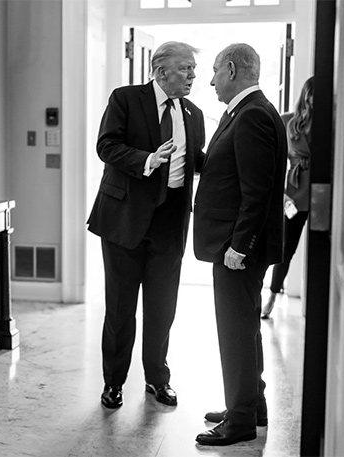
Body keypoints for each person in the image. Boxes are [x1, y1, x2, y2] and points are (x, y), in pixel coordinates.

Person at [87, 41, 205, 409]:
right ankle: (113, 383)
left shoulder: (194, 113)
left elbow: (197, 160)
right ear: (160, 71)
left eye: (193, 69)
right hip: (125, 219)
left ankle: (157, 379)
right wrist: (148, 159)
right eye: (186, 68)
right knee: (120, 310)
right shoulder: (125, 99)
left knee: (162, 308)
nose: (193, 75)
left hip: (171, 222)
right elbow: (106, 146)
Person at [192, 43, 287, 446]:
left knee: (235, 334)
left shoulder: (252, 116)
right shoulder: (246, 112)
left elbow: (257, 190)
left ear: (231, 70)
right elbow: (227, 169)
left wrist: (240, 247)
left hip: (239, 251)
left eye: (215, 71)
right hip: (236, 246)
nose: (211, 81)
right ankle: (250, 406)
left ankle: (241, 421)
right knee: (244, 330)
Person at [261, 76, 314, 319]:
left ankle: (317, 302)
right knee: (285, 248)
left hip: (323, 191)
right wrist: (281, 194)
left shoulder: (331, 122)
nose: (314, 100)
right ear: (305, 95)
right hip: (294, 191)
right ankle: (272, 294)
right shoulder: (287, 121)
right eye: (311, 95)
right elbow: (275, 162)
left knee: (321, 247)